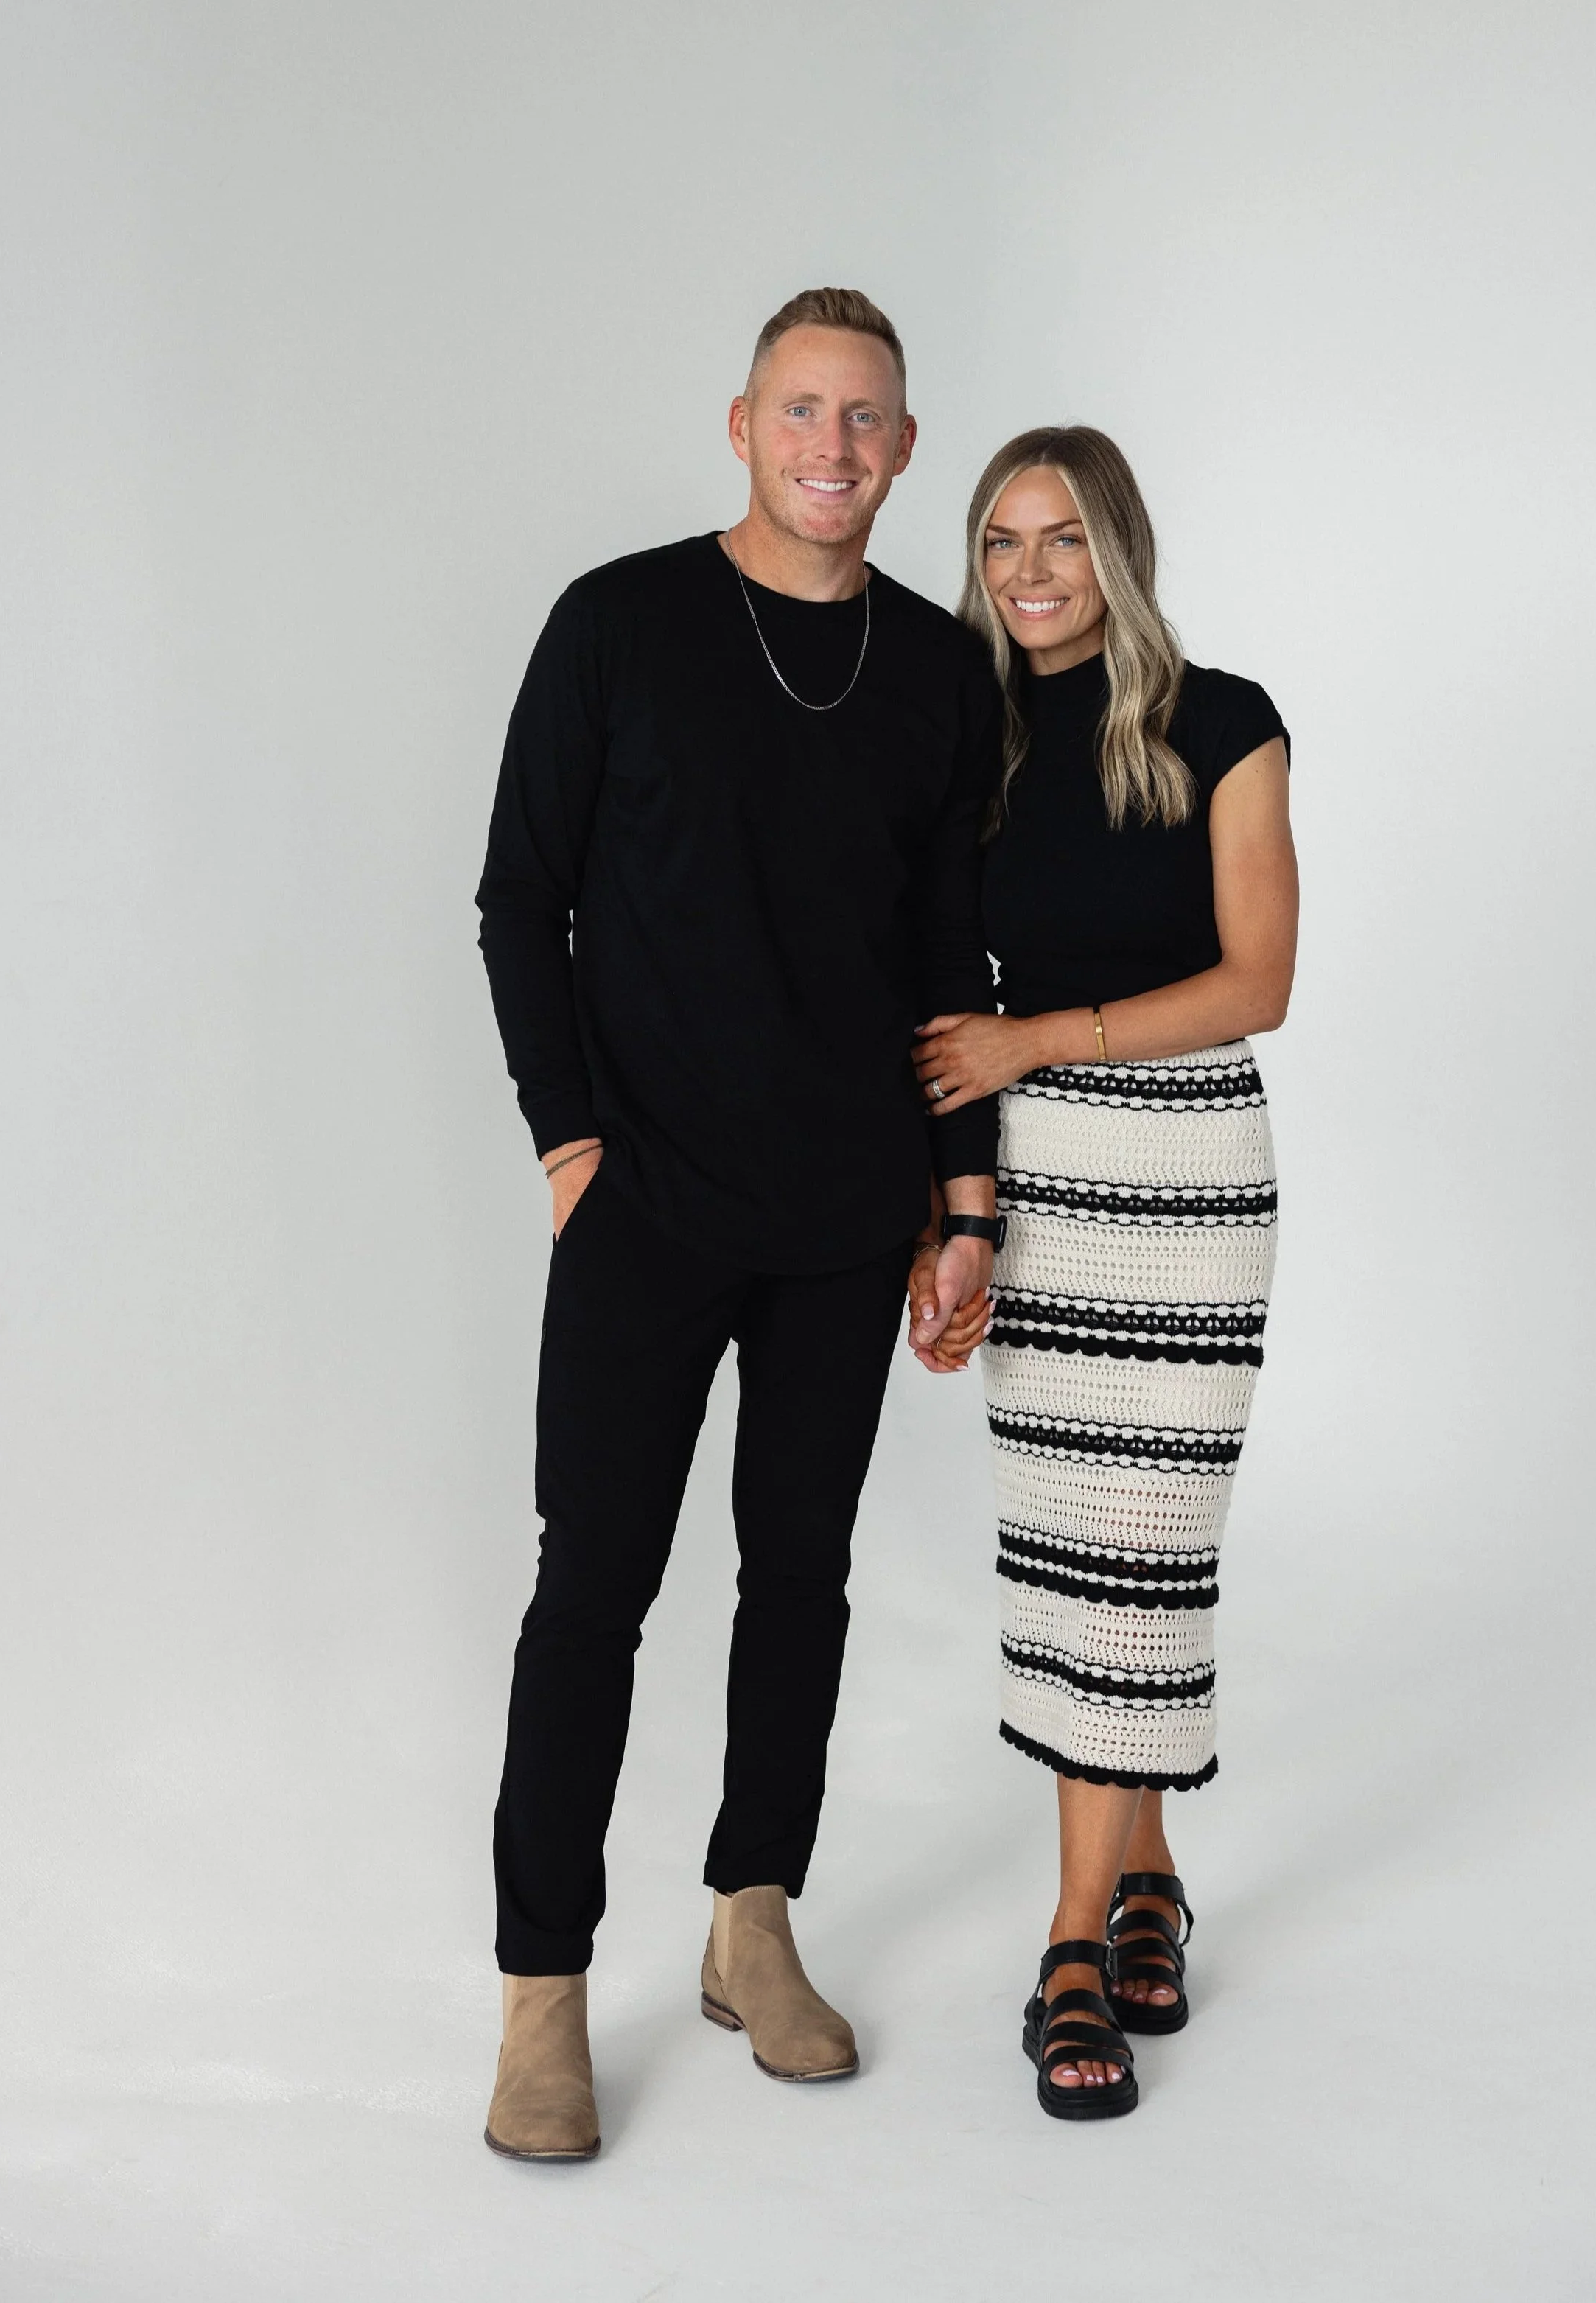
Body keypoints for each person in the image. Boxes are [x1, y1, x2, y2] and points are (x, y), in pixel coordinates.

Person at [475, 287, 1002, 2160]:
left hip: (853, 1214)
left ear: (904, 449)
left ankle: (750, 1919)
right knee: (591, 1590)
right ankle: (543, 1990)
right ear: (740, 425)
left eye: (865, 420)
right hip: (647, 1206)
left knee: (801, 1577)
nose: (832, 448)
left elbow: (954, 956)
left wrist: (964, 1201)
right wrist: (567, 1144)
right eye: (801, 411)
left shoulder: (939, 672)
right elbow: (516, 895)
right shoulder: (618, 623)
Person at [909, 426, 1298, 2119]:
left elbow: (1255, 980)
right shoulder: (960, 735)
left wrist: (1036, 1035)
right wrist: (958, 1216)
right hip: (1039, 1183)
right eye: (1000, 540)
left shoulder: (1221, 718)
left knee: (1147, 1547)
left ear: (1118, 549)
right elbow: (928, 993)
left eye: (1061, 537)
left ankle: (1071, 1936)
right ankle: (1142, 1880)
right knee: (1078, 1557)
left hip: (1187, 1168)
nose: (1028, 570)